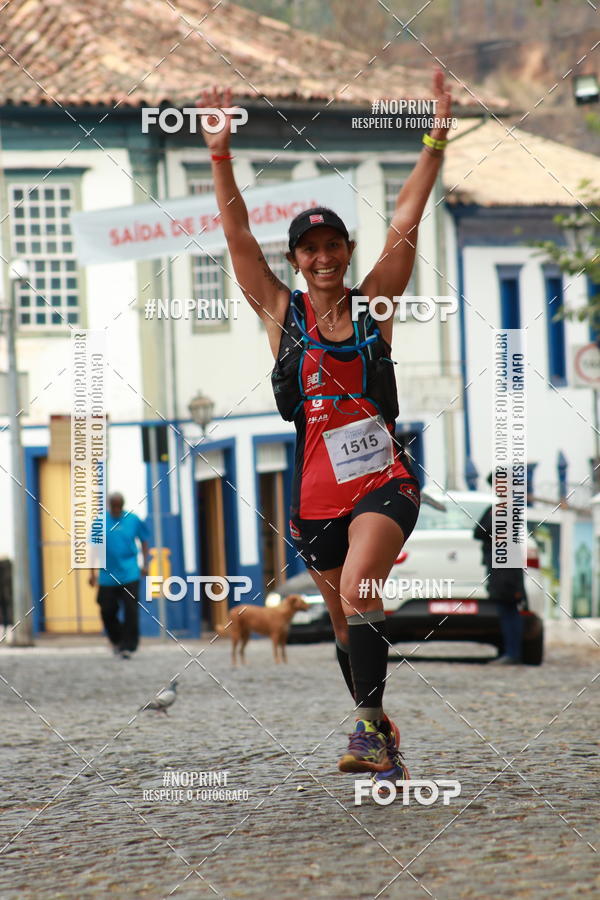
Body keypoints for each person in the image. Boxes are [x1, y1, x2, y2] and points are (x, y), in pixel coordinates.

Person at [199, 70, 452, 779]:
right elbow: (238, 235)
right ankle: (378, 727)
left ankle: (366, 731)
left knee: (366, 584)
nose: (324, 257)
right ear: (297, 261)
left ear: (346, 250)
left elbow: (407, 216)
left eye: (333, 245)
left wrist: (434, 140)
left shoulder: (375, 305)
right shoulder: (284, 315)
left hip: (382, 480)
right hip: (313, 502)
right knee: (346, 626)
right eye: (309, 250)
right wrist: (220, 155)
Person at [89, 492, 150, 659]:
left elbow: (144, 540)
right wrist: (92, 573)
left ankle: (128, 646)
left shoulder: (133, 520)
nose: (116, 509)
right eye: (113, 506)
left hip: (130, 573)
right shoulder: (100, 522)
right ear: (109, 505)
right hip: (107, 575)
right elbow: (94, 548)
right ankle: (117, 639)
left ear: (122, 505)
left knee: (131, 611)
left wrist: (145, 563)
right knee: (107, 610)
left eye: (118, 506)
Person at [474, 474, 525, 665]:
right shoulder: (494, 509)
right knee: (504, 610)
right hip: (495, 567)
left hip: (508, 567)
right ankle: (509, 651)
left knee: (511, 608)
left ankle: (513, 653)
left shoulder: (511, 509)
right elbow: (478, 532)